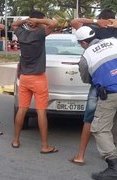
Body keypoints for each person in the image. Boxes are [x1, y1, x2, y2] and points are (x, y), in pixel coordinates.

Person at [69, 9, 117, 165]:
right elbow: (75, 22)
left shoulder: (93, 34)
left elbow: (75, 22)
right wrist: (98, 23)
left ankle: (83, 155)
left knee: (91, 119)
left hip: (101, 85)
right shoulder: (94, 30)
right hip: (105, 82)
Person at [11, 10, 58, 153]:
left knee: (22, 109)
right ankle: (44, 146)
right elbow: (54, 23)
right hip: (38, 78)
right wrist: (38, 21)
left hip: (24, 77)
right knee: (41, 112)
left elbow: (13, 25)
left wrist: (26, 20)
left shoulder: (22, 34)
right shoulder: (40, 33)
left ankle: (16, 140)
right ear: (38, 21)